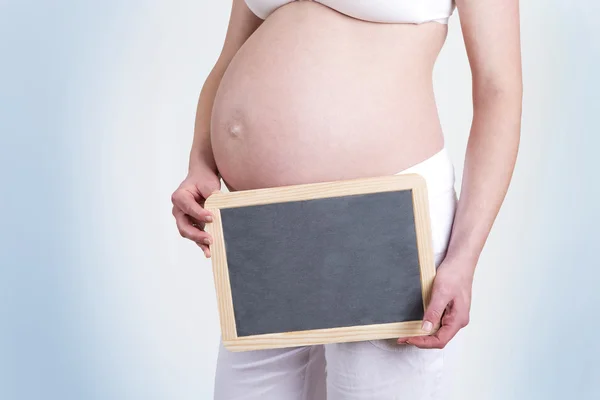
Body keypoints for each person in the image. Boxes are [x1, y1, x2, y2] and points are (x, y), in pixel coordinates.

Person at [171, 0, 522, 398]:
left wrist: (464, 257)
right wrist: (201, 161)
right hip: (263, 227)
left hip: (383, 220)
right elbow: (229, 58)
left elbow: (499, 90)